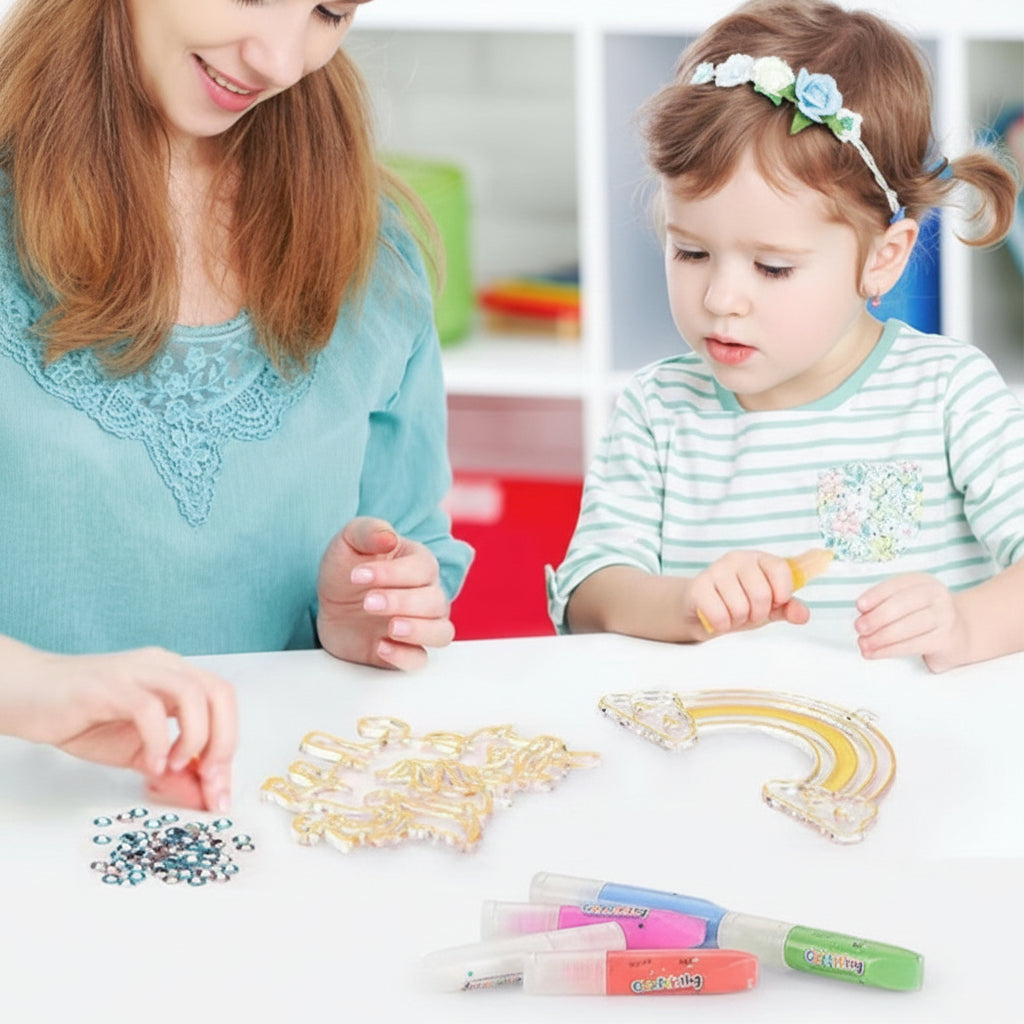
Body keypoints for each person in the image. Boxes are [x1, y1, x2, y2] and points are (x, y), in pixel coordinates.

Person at [0, 0, 473, 807]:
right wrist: (28, 686)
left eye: (330, 12)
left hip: (267, 819)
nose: (281, 60)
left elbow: (413, 538)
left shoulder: (373, 245)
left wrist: (366, 615)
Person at [547, 0, 1023, 673]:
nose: (720, 299)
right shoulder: (659, 411)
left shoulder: (947, 397)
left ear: (882, 258)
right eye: (689, 252)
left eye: (771, 267)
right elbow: (588, 592)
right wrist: (683, 604)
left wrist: (966, 624)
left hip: (917, 761)